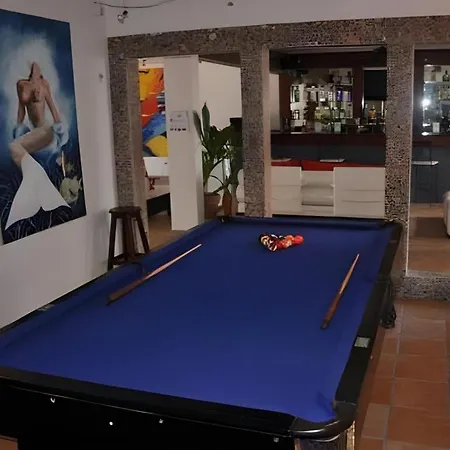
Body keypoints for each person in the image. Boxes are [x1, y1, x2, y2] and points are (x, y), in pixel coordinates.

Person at [5, 62, 70, 230]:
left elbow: (53, 109)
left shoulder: (44, 84)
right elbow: (21, 109)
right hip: (33, 132)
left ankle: (36, 184)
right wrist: (19, 128)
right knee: (14, 147)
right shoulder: (21, 85)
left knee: (14, 148)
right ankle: (38, 185)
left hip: (46, 131)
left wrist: (61, 134)